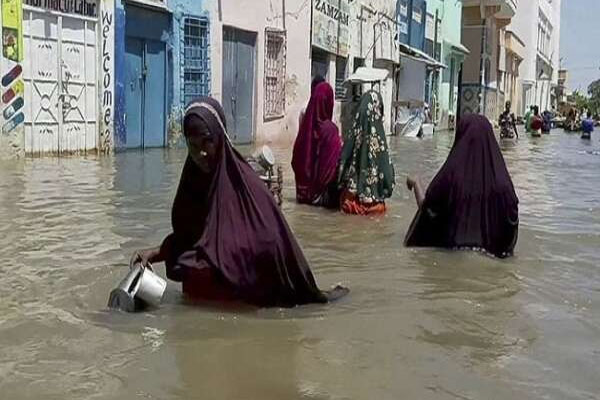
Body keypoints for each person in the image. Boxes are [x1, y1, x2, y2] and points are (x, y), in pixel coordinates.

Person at [131, 97, 348, 307]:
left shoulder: (250, 192)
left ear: (219, 137)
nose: (201, 152)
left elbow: (271, 242)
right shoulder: (191, 187)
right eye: (192, 144)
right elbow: (190, 238)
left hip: (235, 311)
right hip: (195, 311)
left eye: (207, 141)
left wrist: (215, 261)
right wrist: (156, 252)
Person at [405, 114, 519, 258]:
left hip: (449, 263)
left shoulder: (449, 177)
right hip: (490, 271)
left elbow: (427, 213)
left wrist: (416, 183)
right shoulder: (504, 186)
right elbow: (510, 233)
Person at [338, 90, 395, 215]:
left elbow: (340, 171)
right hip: (375, 210)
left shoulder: (351, 140)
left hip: (350, 206)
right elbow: (389, 182)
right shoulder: (381, 145)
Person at [292, 82, 342, 208]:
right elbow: (331, 171)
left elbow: (295, 162)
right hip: (323, 200)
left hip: (302, 197)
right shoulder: (331, 131)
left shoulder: (304, 131)